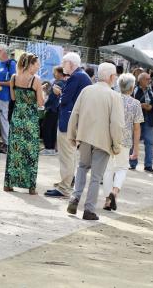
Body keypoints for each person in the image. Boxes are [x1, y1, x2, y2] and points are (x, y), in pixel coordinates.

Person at [66, 62, 125, 220]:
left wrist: (72, 135)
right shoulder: (114, 96)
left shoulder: (86, 90)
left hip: (84, 137)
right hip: (103, 141)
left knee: (82, 168)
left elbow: (75, 114)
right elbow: (117, 124)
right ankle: (89, 209)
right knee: (96, 177)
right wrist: (116, 144)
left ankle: (74, 198)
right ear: (112, 77)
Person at [45, 52, 92, 199]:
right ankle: (66, 183)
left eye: (64, 62)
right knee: (70, 155)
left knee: (67, 155)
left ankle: (64, 187)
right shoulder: (82, 76)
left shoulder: (76, 76)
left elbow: (66, 99)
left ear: (71, 64)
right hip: (76, 120)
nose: (62, 65)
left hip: (69, 121)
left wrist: (59, 93)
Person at [3, 53, 45, 194]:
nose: (38, 66)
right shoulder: (36, 80)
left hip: (17, 117)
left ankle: (8, 184)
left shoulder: (13, 78)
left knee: (14, 150)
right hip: (30, 119)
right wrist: (42, 91)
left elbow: (13, 97)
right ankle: (30, 187)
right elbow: (40, 102)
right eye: (37, 64)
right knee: (31, 151)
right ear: (30, 64)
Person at [103, 73, 143, 211]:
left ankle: (107, 200)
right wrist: (136, 149)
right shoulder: (136, 103)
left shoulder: (111, 98)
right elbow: (137, 128)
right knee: (121, 168)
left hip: (109, 139)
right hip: (125, 141)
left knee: (108, 170)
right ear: (132, 87)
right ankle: (115, 191)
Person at [131, 73, 153, 173]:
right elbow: (129, 102)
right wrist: (140, 105)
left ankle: (148, 165)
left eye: (149, 79)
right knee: (134, 141)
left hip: (148, 119)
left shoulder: (151, 91)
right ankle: (132, 163)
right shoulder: (134, 90)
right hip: (136, 119)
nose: (149, 81)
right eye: (147, 79)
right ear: (141, 80)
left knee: (149, 143)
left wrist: (151, 107)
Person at [40, 67, 64, 156]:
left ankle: (48, 148)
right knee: (52, 128)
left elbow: (52, 97)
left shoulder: (58, 83)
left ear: (60, 73)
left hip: (52, 108)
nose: (53, 74)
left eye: (55, 72)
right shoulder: (62, 83)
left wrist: (45, 105)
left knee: (47, 127)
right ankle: (51, 148)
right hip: (56, 109)